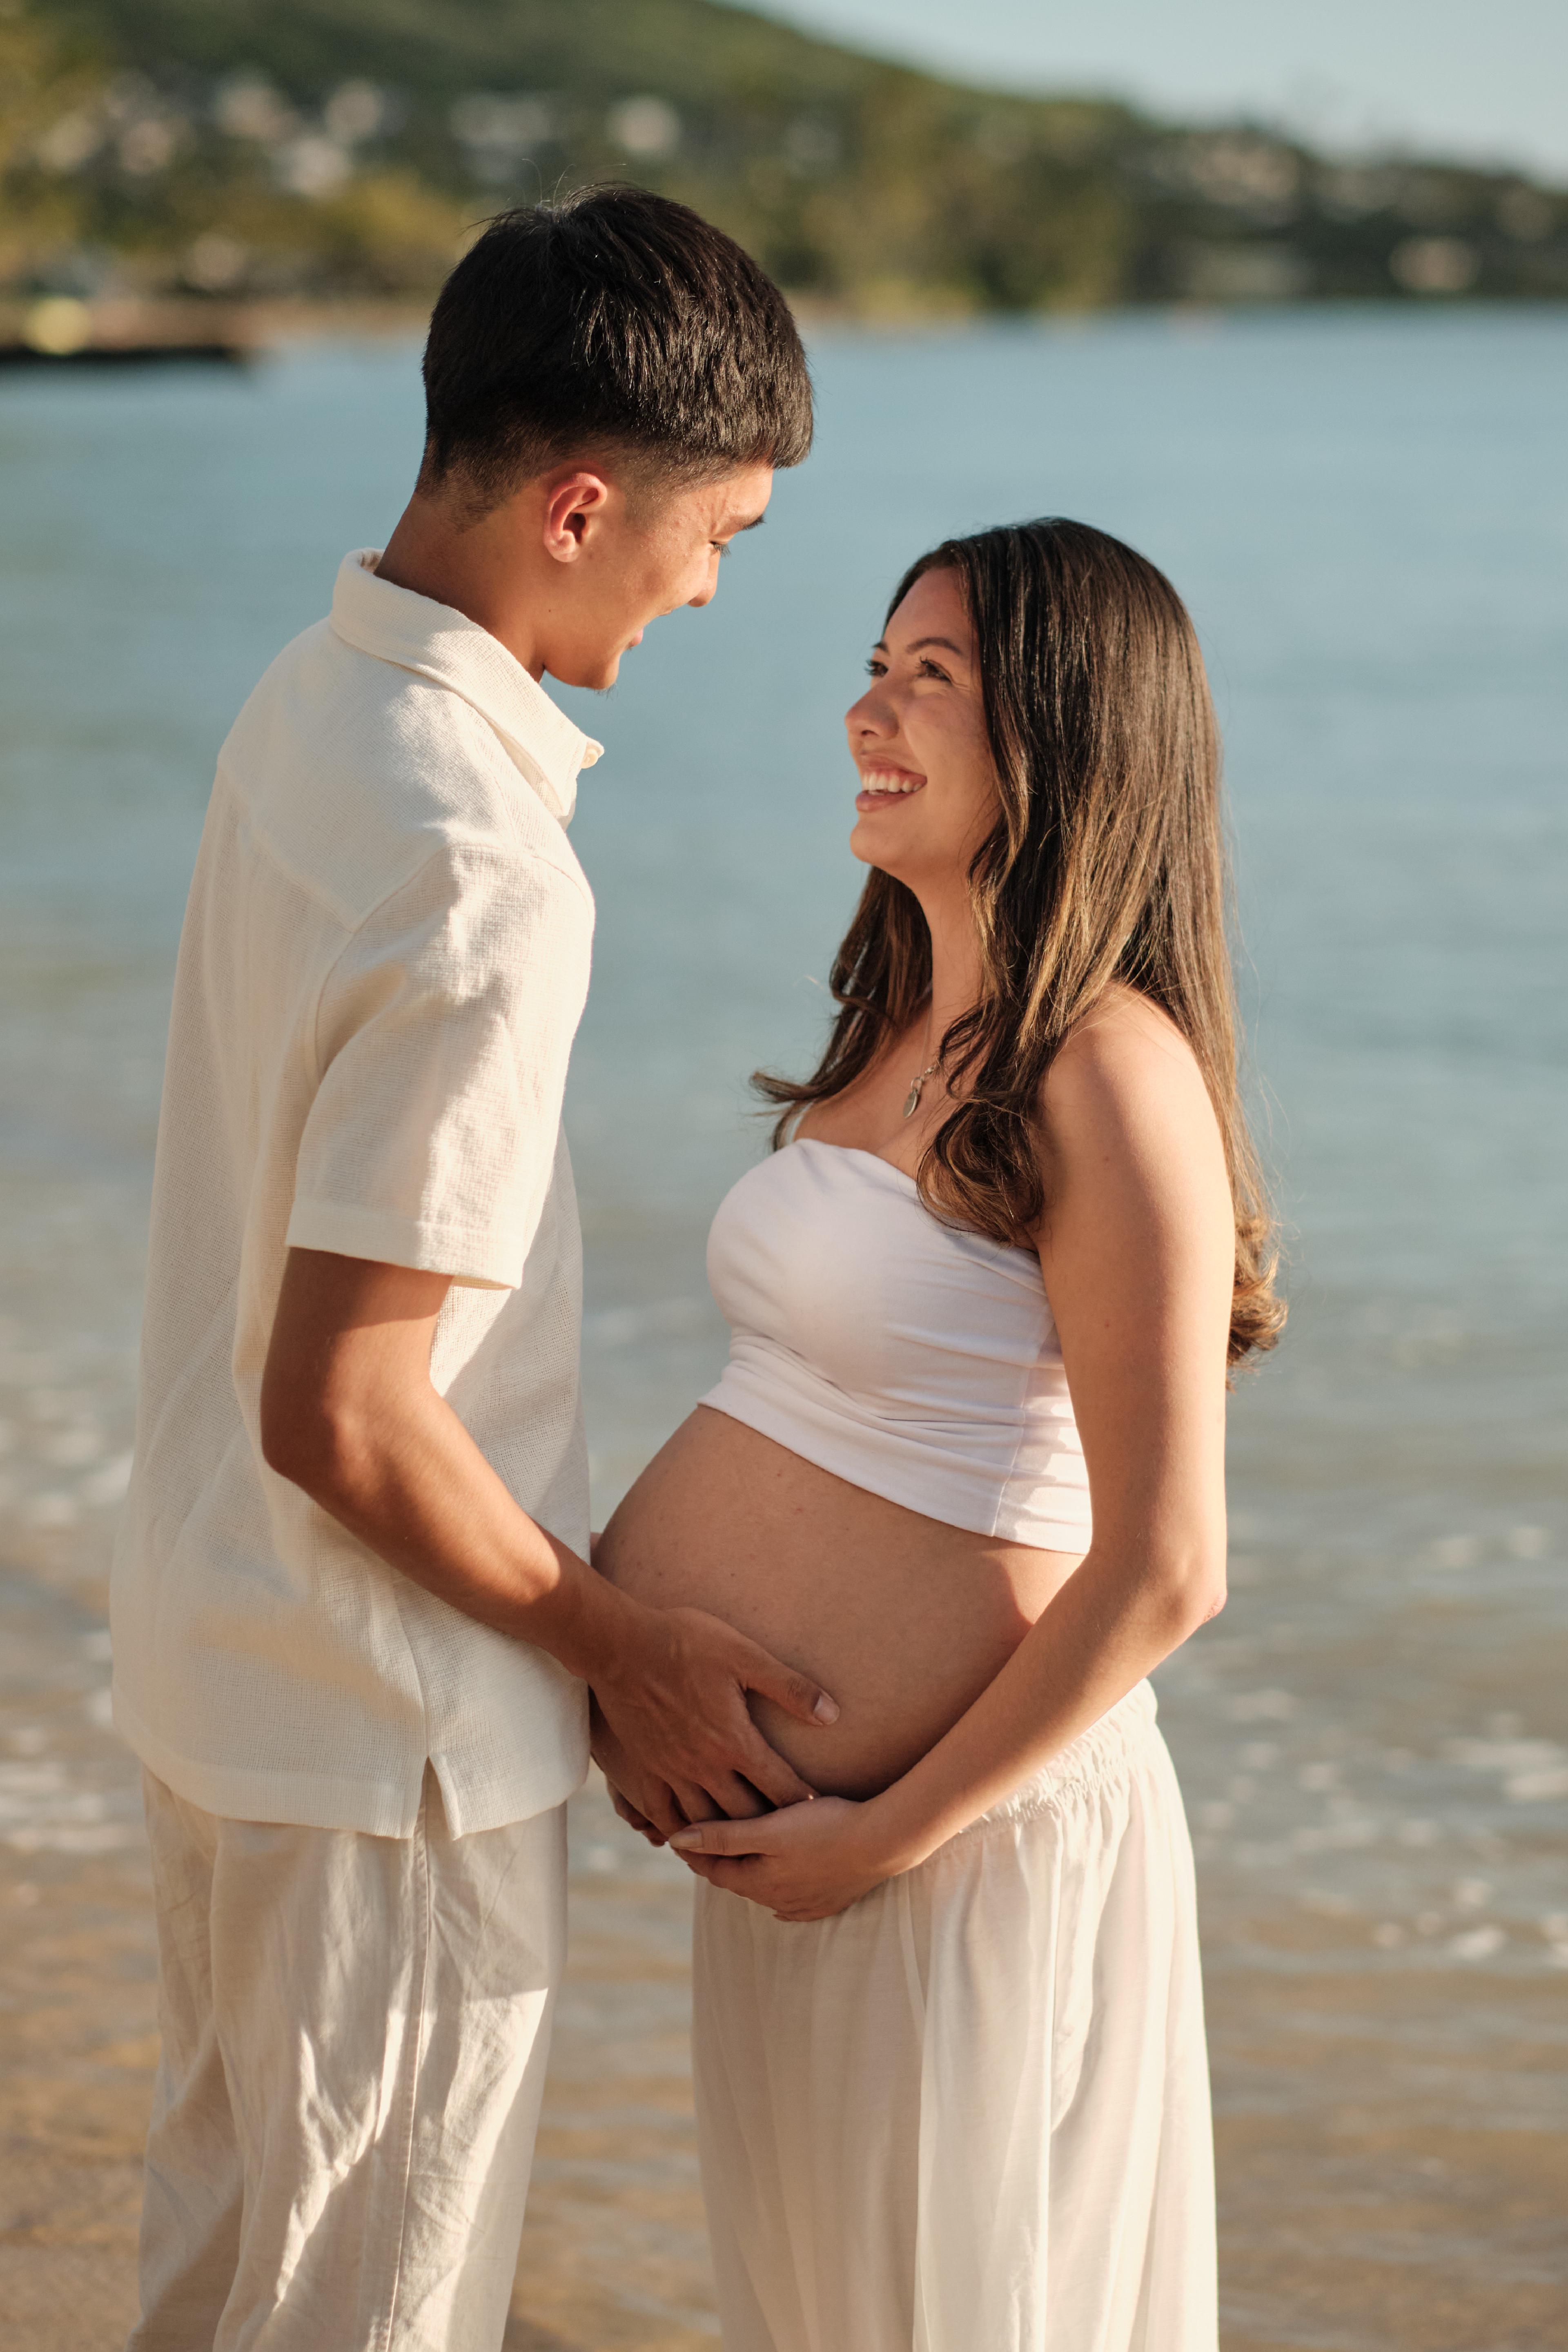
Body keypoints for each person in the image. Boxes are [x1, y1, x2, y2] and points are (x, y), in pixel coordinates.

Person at [109, 187, 836, 2352]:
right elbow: (342, 1410)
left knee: (219, 2286)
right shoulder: (482, 868)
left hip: (221, 1684)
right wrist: (626, 1647)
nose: (712, 587)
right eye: (719, 537)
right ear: (587, 502)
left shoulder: (311, 699)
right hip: (384, 1750)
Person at [593, 518, 1284, 2350]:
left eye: (933, 681)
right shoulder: (897, 1030)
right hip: (814, 1858)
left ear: (1062, 736)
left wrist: (890, 1831)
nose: (863, 713)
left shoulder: (1107, 1070)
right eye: (877, 667)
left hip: (958, 1859)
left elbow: (1167, 1570)